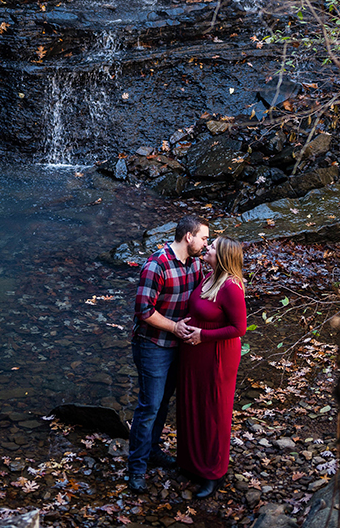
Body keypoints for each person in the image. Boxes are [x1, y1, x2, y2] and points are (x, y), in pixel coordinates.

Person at [128, 212, 209, 495]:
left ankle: (151, 451)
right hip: (153, 345)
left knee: (162, 404)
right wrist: (175, 327)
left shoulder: (196, 264)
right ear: (189, 237)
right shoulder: (156, 265)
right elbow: (144, 311)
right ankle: (136, 469)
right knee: (149, 405)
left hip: (180, 345)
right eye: (204, 238)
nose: (206, 244)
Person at [176, 235, 247, 498]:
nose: (207, 247)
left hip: (217, 355)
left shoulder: (231, 287)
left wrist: (203, 336)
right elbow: (200, 309)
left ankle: (213, 473)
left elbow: (240, 328)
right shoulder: (208, 276)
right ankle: (191, 463)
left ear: (224, 256)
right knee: (191, 404)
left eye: (213, 247)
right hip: (195, 353)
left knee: (214, 411)